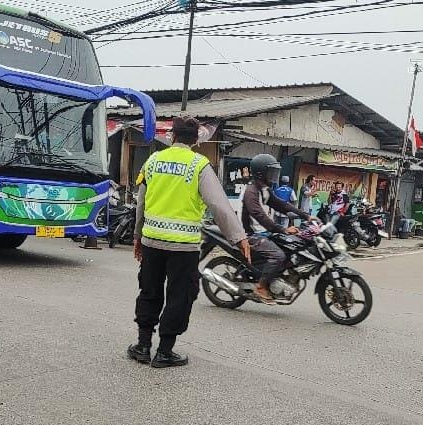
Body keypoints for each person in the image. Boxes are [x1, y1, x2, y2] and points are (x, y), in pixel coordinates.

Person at [129, 116, 250, 368]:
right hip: (183, 248)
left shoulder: (153, 161)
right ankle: (164, 352)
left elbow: (142, 203)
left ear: (172, 136)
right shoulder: (199, 165)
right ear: (196, 141)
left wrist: (138, 237)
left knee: (149, 291)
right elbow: (218, 205)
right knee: (180, 297)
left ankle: (142, 346)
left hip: (152, 242)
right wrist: (239, 237)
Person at [241, 154, 314, 304]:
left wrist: (306, 216)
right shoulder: (251, 192)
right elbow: (260, 216)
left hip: (265, 233)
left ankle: (276, 279)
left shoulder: (264, 189)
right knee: (278, 256)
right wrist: (283, 230)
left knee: (291, 250)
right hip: (251, 235)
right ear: (261, 173)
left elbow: (281, 204)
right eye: (271, 172)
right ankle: (261, 287)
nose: (274, 176)